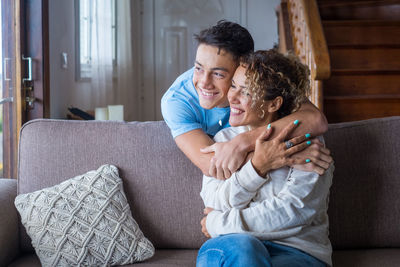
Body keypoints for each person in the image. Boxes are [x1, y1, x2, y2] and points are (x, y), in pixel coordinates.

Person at [197, 50, 334, 267]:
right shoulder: (224, 140)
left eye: (246, 92)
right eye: (233, 85)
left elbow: (293, 211)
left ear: (274, 104)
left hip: (298, 250)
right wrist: (257, 168)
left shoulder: (306, 143)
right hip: (232, 244)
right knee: (245, 250)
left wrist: (217, 222)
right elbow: (214, 200)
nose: (231, 97)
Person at [161, 20, 332, 180]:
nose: (203, 82)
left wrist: (242, 143)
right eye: (198, 68)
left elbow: (315, 119)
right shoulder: (176, 101)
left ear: (242, 70)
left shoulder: (260, 78)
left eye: (218, 74)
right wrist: (285, 154)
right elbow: (212, 164)